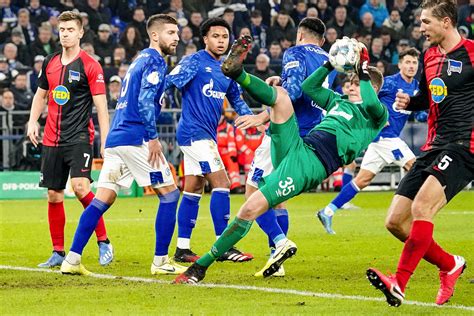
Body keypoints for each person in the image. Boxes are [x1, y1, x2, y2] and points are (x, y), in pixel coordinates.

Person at [173, 35, 387, 284]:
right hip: (299, 145)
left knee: (250, 207)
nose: (349, 86)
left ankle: (200, 268)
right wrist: (329, 63)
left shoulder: (375, 115)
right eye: (349, 82)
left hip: (311, 165)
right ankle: (238, 73)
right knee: (282, 96)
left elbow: (371, 100)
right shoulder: (337, 101)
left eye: (356, 84)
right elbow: (309, 88)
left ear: (371, 88)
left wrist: (361, 69)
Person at [60, 14, 187, 276]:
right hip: (135, 137)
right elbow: (144, 101)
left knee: (103, 199)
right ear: (155, 35)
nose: (177, 38)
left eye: (177, 33)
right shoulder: (154, 60)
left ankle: (71, 259)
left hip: (118, 138)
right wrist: (153, 138)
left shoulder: (140, 59)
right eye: (171, 33)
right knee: (170, 193)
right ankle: (161, 261)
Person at [367, 0, 473, 307]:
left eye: (426, 22)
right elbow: (428, 97)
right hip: (433, 145)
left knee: (422, 208)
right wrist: (408, 102)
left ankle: (398, 283)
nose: (421, 28)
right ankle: (450, 264)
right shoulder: (428, 56)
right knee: (396, 222)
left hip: (464, 145)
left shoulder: (471, 52)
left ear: (446, 22)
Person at [237, 17, 337, 277]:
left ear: (300, 35)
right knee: (278, 198)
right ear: (323, 40)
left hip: (283, 133)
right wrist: (279, 83)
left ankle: (280, 242)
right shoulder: (330, 61)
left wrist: (262, 116)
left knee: (253, 193)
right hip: (309, 137)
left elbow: (292, 94)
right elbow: (307, 91)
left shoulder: (295, 52)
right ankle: (276, 259)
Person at [26, 11, 113, 268]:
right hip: (52, 138)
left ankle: (104, 241)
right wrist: (33, 121)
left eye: (70, 29)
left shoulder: (90, 65)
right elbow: (41, 96)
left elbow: (101, 106)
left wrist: (105, 139)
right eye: (62, 29)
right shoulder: (50, 61)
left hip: (78, 137)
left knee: (81, 188)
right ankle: (58, 252)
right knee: (54, 195)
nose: (65, 33)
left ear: (80, 32)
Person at [166, 18, 254, 264]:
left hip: (206, 135)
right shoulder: (193, 61)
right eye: (215, 36)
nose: (221, 41)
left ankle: (182, 248)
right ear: (205, 39)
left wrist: (252, 118)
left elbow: (237, 99)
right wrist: (154, 103)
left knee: (193, 188)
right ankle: (223, 244)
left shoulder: (227, 68)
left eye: (224, 37)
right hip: (194, 134)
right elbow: (168, 82)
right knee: (223, 183)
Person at [317, 48, 422, 234]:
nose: (411, 66)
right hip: (385, 137)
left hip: (382, 141)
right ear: (400, 64)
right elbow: (366, 97)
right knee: (415, 168)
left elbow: (417, 107)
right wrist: (375, 117)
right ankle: (411, 213)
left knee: (363, 180)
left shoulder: (416, 86)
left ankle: (328, 211)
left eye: (414, 63)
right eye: (407, 62)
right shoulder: (389, 83)